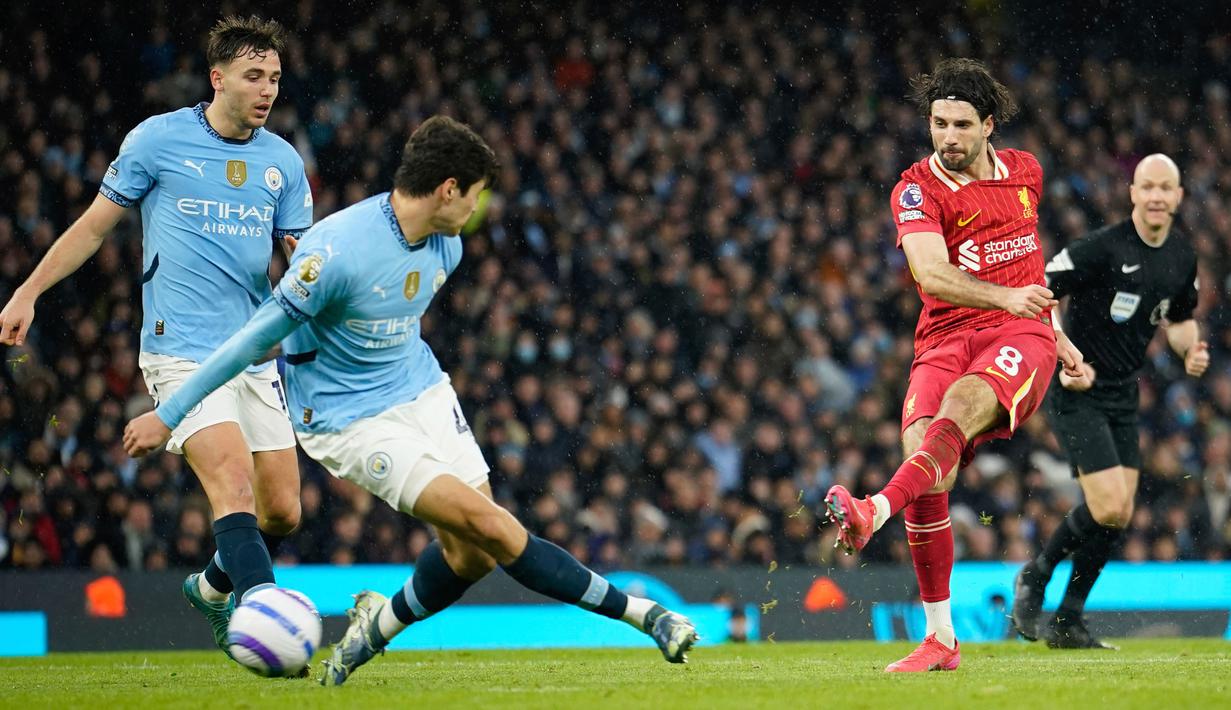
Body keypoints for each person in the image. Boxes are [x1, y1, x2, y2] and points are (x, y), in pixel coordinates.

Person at [123, 115, 698, 686]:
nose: (476, 209)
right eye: (474, 195)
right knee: (493, 527)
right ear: (448, 189)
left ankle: (373, 629)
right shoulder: (338, 251)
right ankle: (649, 618)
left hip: (421, 390)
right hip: (349, 420)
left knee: (471, 555)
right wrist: (169, 413)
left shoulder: (447, 248)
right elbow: (252, 340)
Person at [0, 15, 310, 657]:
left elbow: (300, 259)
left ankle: (213, 587)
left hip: (252, 354)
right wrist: (28, 291)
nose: (267, 90)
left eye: (275, 77)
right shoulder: (158, 141)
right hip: (181, 351)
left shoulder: (282, 161)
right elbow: (92, 228)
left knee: (283, 512)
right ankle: (269, 629)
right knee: (232, 485)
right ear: (217, 77)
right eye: (254, 76)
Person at [822, 58, 1084, 672]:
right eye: (939, 124)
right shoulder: (916, 189)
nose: (948, 137)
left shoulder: (1025, 173)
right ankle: (941, 639)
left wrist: (1056, 333)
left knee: (963, 405)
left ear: (988, 124)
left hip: (1018, 332)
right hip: (944, 334)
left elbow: (1029, 268)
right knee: (924, 455)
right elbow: (932, 273)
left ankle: (872, 511)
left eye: (962, 125)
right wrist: (1008, 296)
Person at [1012, 154, 1207, 648]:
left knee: (1118, 513)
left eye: (1167, 187)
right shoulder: (1102, 248)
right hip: (1078, 390)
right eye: (1149, 187)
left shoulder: (1182, 257)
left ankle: (1068, 620)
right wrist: (1064, 353)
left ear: (1180, 196)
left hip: (1123, 394)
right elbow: (1041, 291)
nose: (1158, 196)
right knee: (1107, 506)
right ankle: (1034, 577)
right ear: (1134, 194)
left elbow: (1180, 319)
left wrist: (1192, 350)